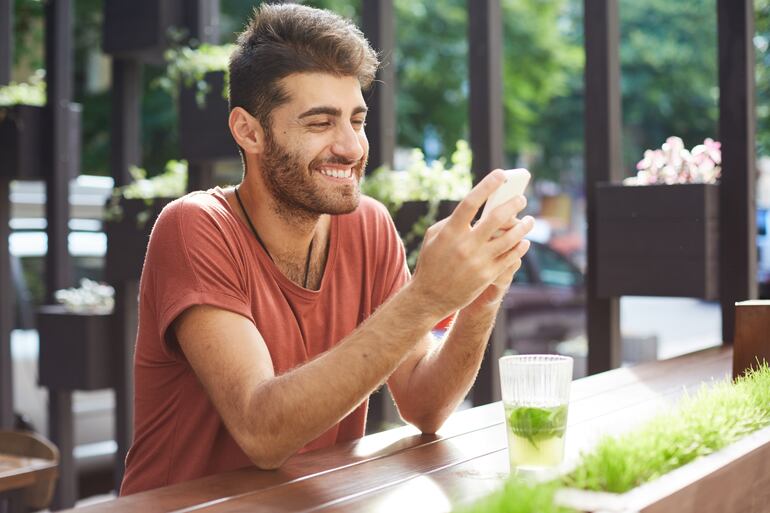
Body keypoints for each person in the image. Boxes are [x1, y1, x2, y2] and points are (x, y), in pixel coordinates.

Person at [120, 3, 533, 495]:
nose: (352, 147)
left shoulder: (369, 225)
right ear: (249, 131)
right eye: (320, 123)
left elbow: (425, 407)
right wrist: (425, 298)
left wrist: (480, 296)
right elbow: (261, 431)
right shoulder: (196, 227)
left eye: (357, 121)